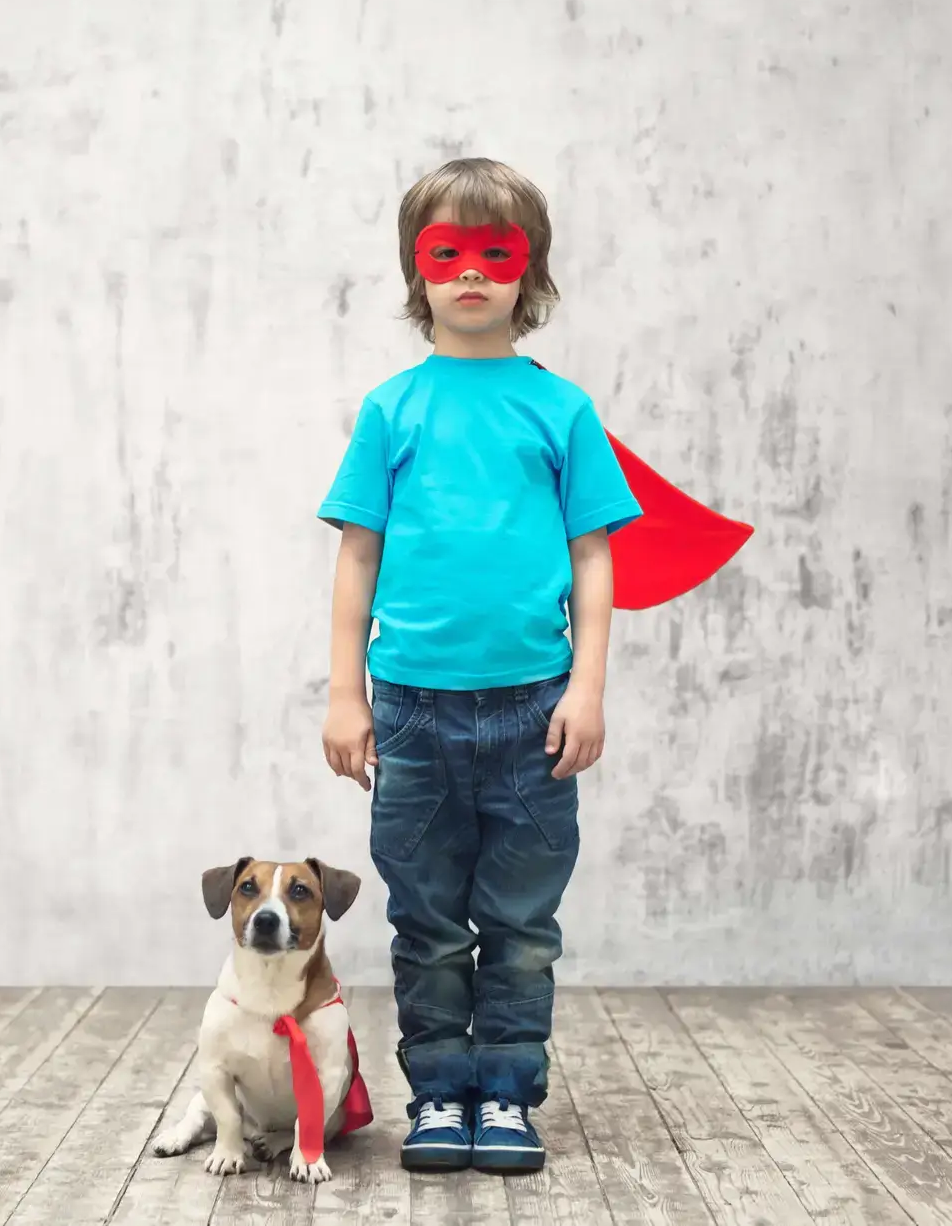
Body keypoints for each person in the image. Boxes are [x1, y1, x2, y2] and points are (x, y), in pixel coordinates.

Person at [317, 156, 642, 1174]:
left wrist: (587, 685)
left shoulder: (562, 412)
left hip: (533, 714)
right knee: (424, 919)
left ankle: (506, 1094)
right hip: (412, 712)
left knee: (519, 922)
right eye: (446, 253)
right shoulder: (392, 410)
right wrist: (345, 693)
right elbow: (357, 554)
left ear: (527, 270)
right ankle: (439, 1095)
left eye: (493, 255)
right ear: (418, 272)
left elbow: (595, 555)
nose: (470, 274)